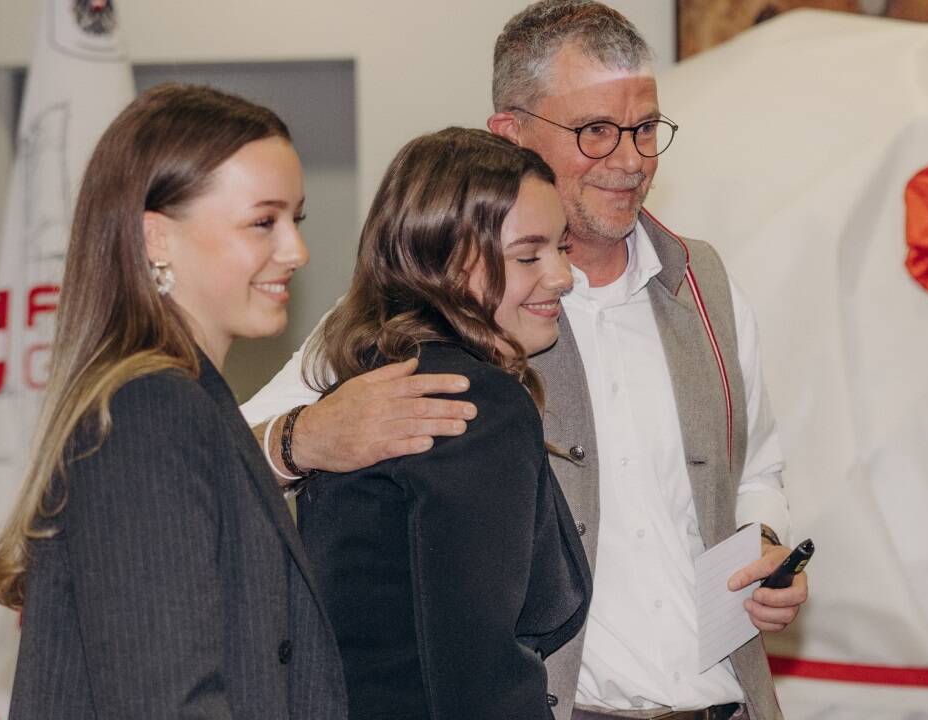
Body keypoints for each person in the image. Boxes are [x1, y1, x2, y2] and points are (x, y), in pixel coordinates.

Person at [243, 2, 807, 718]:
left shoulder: (706, 285)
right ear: (510, 135)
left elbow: (758, 467)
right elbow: (222, 451)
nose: (631, 160)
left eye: (643, 128)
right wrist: (306, 437)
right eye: (596, 132)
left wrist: (765, 539)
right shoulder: (424, 319)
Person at [0, 84, 347, 719]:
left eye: (297, 219)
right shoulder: (149, 411)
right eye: (263, 221)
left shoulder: (186, 399)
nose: (295, 251)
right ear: (156, 238)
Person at [294, 127, 590, 719]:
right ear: (445, 263)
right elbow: (478, 670)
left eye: (563, 248)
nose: (562, 275)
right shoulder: (471, 402)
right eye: (529, 254)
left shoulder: (379, 375)